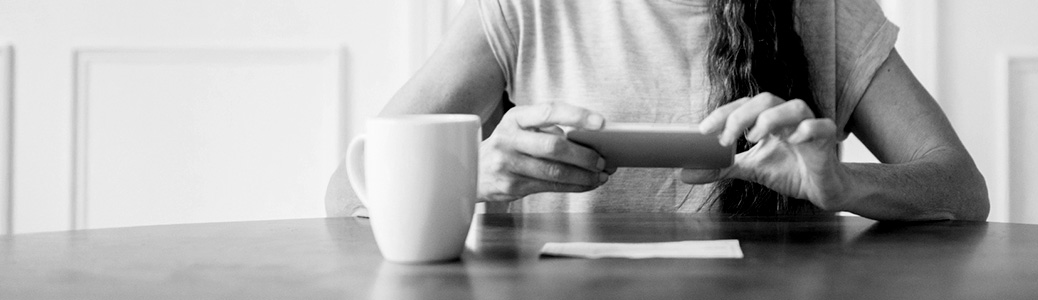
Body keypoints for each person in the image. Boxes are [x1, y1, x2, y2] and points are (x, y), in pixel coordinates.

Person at [325, 0, 989, 221]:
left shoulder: (824, 11)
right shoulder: (525, 9)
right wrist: (462, 179)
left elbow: (961, 186)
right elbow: (342, 195)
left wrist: (844, 185)